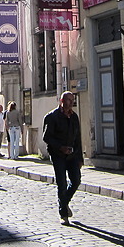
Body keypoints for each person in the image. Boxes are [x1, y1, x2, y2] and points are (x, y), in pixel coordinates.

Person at [43, 91, 83, 225]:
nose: (71, 103)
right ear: (62, 101)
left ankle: (64, 203)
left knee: (76, 180)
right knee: (62, 183)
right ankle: (63, 214)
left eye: (73, 100)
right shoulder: (52, 117)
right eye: (69, 100)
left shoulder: (74, 117)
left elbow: (78, 138)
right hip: (58, 155)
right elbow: (46, 137)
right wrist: (60, 147)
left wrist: (79, 158)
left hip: (72, 155)